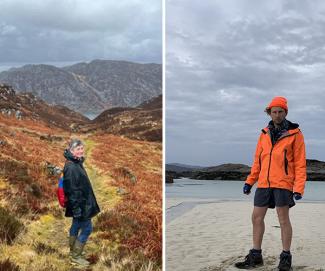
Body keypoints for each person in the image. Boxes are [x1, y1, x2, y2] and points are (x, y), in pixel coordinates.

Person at [235, 97, 306, 271]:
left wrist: (298, 188)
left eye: (280, 111)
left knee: (283, 220)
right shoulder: (264, 133)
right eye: (274, 112)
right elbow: (258, 161)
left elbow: (300, 163)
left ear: (286, 112)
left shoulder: (295, 134)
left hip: (283, 183)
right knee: (256, 217)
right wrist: (250, 181)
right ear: (269, 113)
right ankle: (256, 255)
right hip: (264, 183)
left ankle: (285, 257)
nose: (277, 115)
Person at [63, 139, 100, 267]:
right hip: (80, 204)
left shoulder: (75, 162)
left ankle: (73, 251)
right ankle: (75, 256)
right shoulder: (72, 167)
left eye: (81, 148)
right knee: (87, 228)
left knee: (76, 225)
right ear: (71, 151)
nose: (81, 151)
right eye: (78, 149)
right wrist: (77, 208)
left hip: (80, 203)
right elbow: (72, 190)